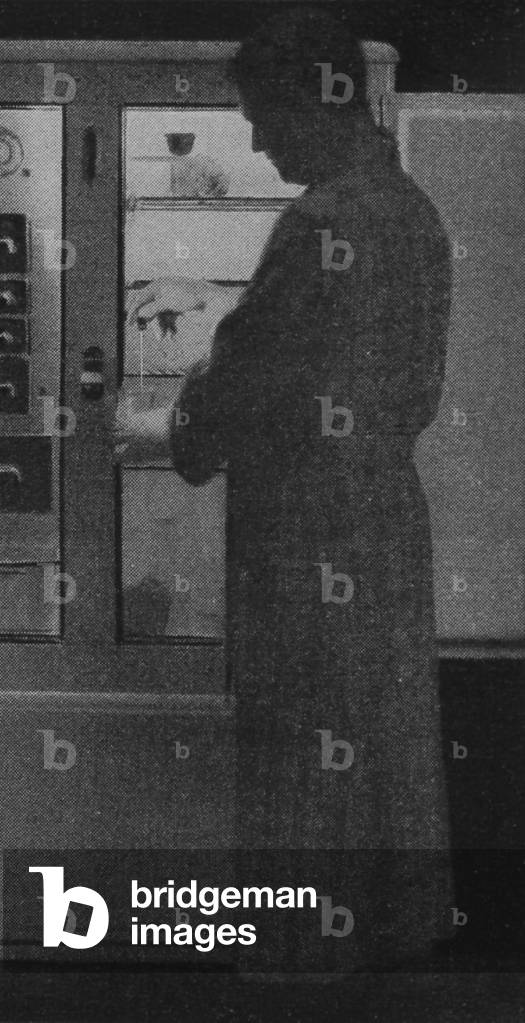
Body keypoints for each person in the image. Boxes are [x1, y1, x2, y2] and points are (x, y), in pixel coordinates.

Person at [117, 8, 454, 972]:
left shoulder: (321, 218)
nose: (257, 139)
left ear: (321, 97)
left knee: (301, 752)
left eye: (263, 115)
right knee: (379, 745)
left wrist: (161, 423)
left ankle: (295, 962)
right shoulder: (410, 207)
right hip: (382, 514)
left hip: (307, 534)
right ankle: (378, 953)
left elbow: (247, 377)